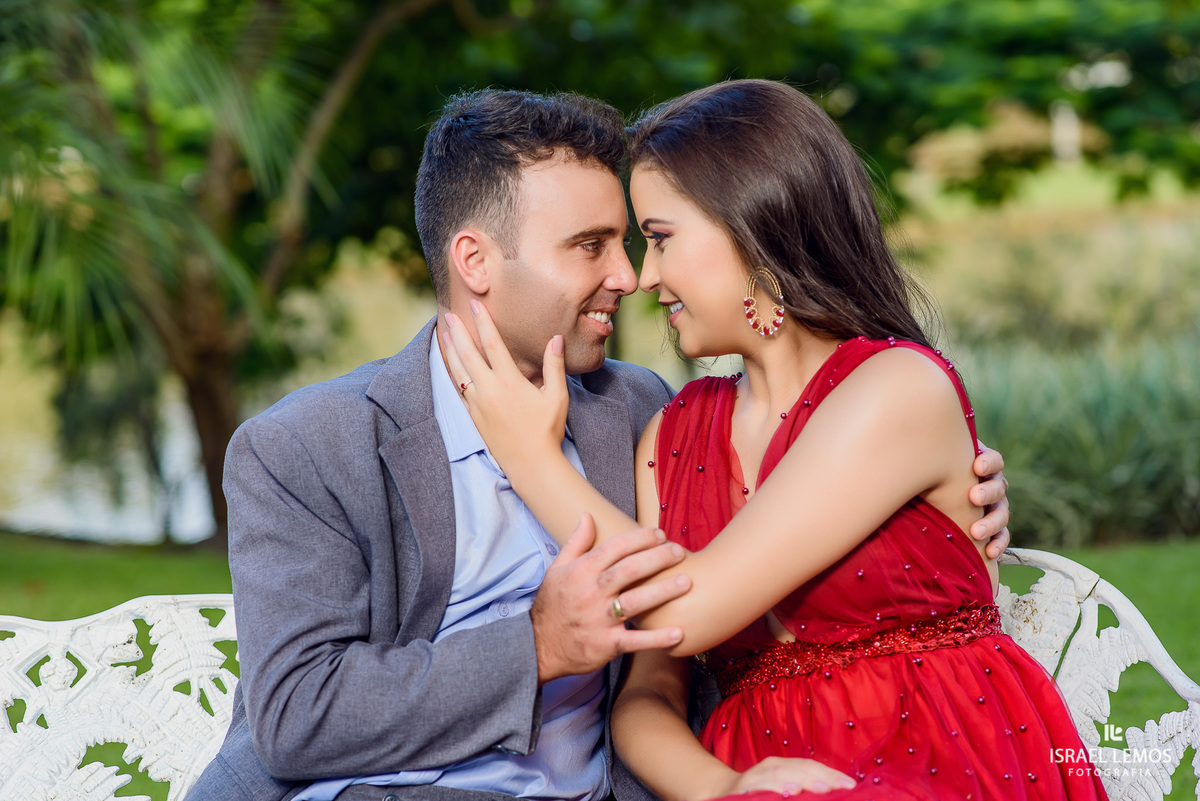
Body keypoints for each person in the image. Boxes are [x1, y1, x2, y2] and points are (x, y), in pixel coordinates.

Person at [187, 88, 1011, 801]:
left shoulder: (640, 411)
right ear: (475, 260)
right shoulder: (307, 446)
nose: (629, 275)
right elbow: (297, 714)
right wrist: (540, 644)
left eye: (634, 239)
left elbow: (739, 586)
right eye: (591, 246)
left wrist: (928, 516)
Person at [441, 80, 1102, 800]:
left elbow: (684, 611)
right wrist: (726, 786)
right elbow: (647, 688)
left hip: (935, 747)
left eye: (659, 238)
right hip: (756, 770)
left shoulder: (897, 387)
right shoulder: (672, 431)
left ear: (753, 228)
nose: (643, 276)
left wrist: (530, 457)